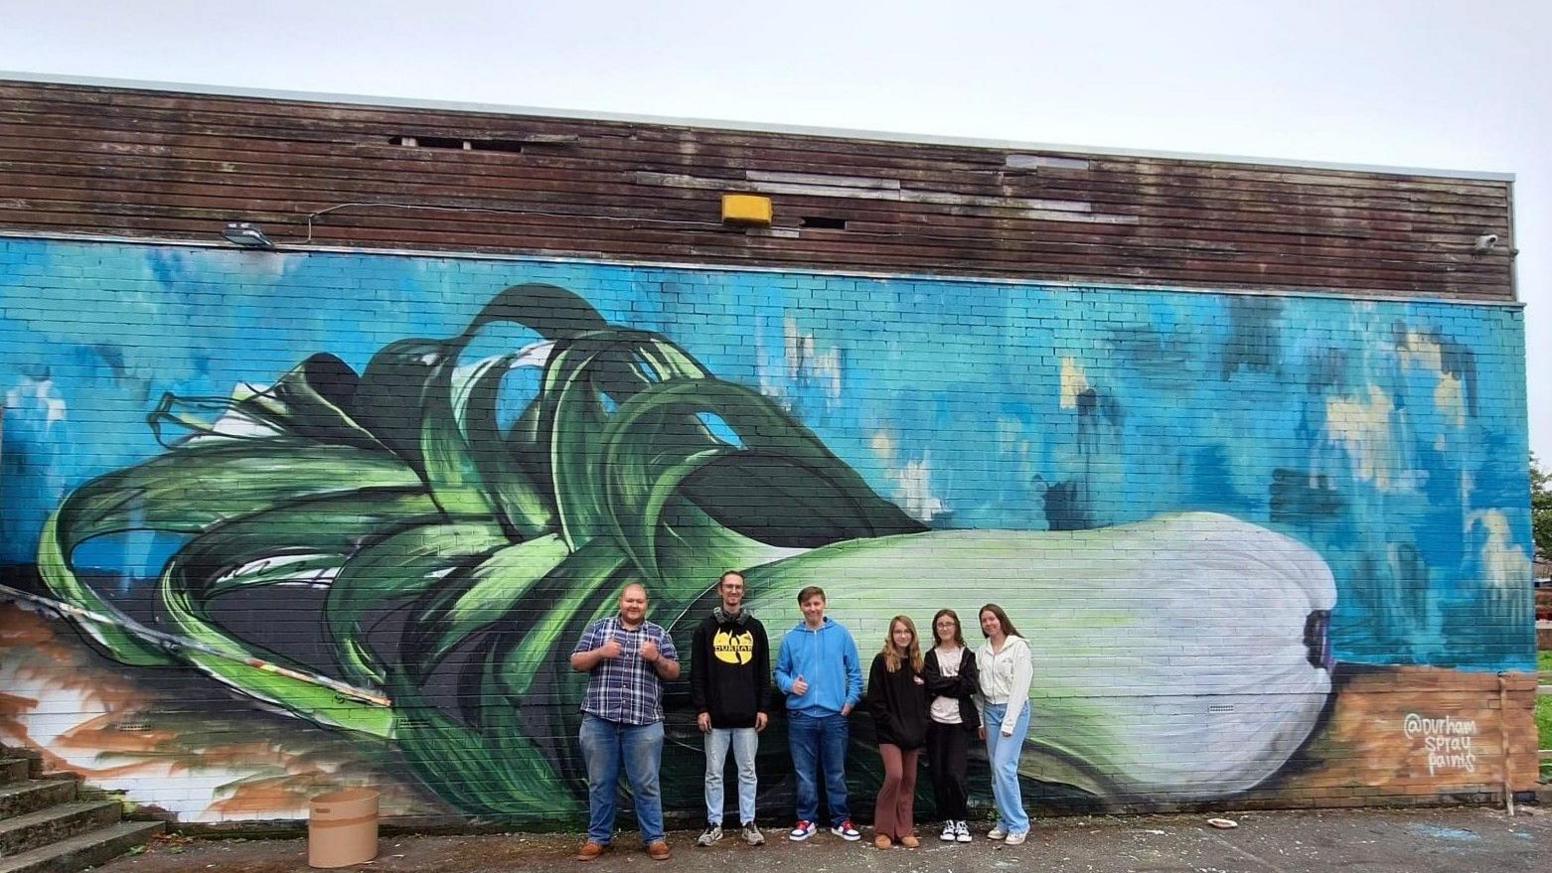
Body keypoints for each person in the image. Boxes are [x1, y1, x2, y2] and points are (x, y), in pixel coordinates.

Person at [569, 583, 681, 861]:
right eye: (630, 600)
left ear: (646, 604)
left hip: (644, 722)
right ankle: (598, 838)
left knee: (646, 783)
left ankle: (654, 839)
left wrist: (657, 658)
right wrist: (600, 653)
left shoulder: (658, 634)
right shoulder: (598, 629)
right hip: (600, 720)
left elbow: (674, 671)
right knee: (600, 782)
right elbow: (576, 661)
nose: (634, 605)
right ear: (621, 602)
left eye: (640, 601)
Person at [774, 585, 864, 842]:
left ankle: (841, 821)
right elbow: (779, 672)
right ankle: (806, 820)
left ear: (824, 604)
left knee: (836, 772)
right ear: (801, 608)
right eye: (807, 604)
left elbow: (855, 673)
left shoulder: (840, 635)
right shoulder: (791, 639)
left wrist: (850, 701)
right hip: (800, 717)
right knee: (804, 774)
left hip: (835, 716)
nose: (812, 609)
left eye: (816, 603)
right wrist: (791, 685)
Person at [690, 570, 771, 847]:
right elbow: (697, 673)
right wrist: (701, 708)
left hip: (748, 718)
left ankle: (749, 823)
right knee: (714, 773)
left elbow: (763, 672)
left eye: (738, 587)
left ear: (743, 592)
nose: (734, 591)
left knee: (747, 771)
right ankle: (715, 824)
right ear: (720, 591)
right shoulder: (705, 629)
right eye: (729, 587)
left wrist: (763, 708)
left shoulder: (756, 628)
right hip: (715, 718)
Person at [864, 615, 930, 849]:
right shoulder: (882, 662)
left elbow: (925, 702)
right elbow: (876, 701)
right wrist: (894, 726)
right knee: (895, 776)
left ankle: (904, 830)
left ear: (912, 635)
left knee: (909, 781)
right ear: (891, 635)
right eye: (898, 631)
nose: (902, 635)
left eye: (907, 631)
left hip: (913, 735)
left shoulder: (919, 665)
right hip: (889, 734)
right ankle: (883, 831)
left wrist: (920, 727)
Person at [974, 602, 1033, 846]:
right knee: (996, 773)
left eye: (992, 619)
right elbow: (978, 690)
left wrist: (1009, 722)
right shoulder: (982, 650)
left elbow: (1021, 686)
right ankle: (1005, 821)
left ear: (1001, 620)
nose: (989, 623)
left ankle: (1020, 823)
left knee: (1004, 768)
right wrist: (980, 719)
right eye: (984, 620)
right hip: (990, 711)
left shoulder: (1018, 646)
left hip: (1014, 711)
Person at [923, 608, 979, 843]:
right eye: (940, 624)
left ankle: (961, 820)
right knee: (939, 774)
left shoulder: (967, 655)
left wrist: (945, 683)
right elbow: (931, 684)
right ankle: (947, 820)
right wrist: (955, 681)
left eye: (949, 623)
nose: (944, 628)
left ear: (956, 627)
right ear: (936, 629)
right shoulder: (930, 656)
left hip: (959, 723)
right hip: (936, 722)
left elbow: (970, 686)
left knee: (956, 774)